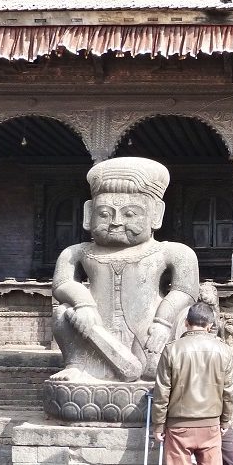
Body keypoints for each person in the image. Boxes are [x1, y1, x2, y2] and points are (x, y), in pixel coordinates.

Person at [51, 156, 199, 383]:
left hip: (149, 331)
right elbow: (62, 284)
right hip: (92, 331)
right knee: (63, 311)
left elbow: (185, 291)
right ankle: (76, 364)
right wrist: (84, 303)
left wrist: (163, 322)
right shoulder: (76, 252)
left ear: (156, 214)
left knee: (156, 365)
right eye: (104, 214)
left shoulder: (174, 252)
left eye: (130, 214)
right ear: (88, 213)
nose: (116, 222)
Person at [152, 301, 233, 465]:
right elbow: (228, 390)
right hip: (210, 425)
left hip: (178, 426)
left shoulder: (172, 349)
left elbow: (162, 392)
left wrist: (158, 425)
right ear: (210, 326)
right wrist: (226, 420)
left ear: (187, 322)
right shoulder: (222, 350)